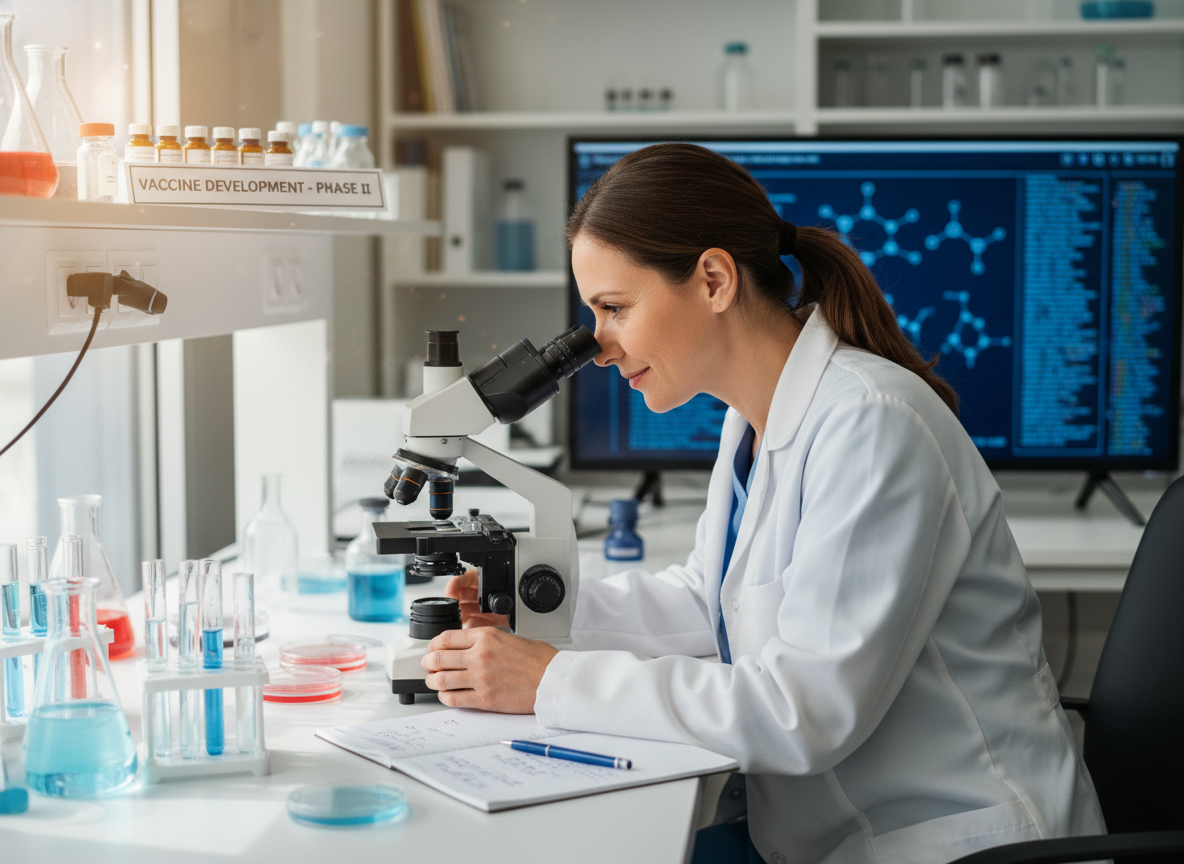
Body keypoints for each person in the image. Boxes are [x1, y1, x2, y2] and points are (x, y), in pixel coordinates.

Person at [419, 143, 1105, 864]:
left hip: (956, 842)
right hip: (826, 834)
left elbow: (804, 711)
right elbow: (711, 602)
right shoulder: (751, 419)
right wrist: (538, 614)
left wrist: (550, 680)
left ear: (714, 279)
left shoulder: (872, 422)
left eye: (615, 308)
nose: (601, 347)